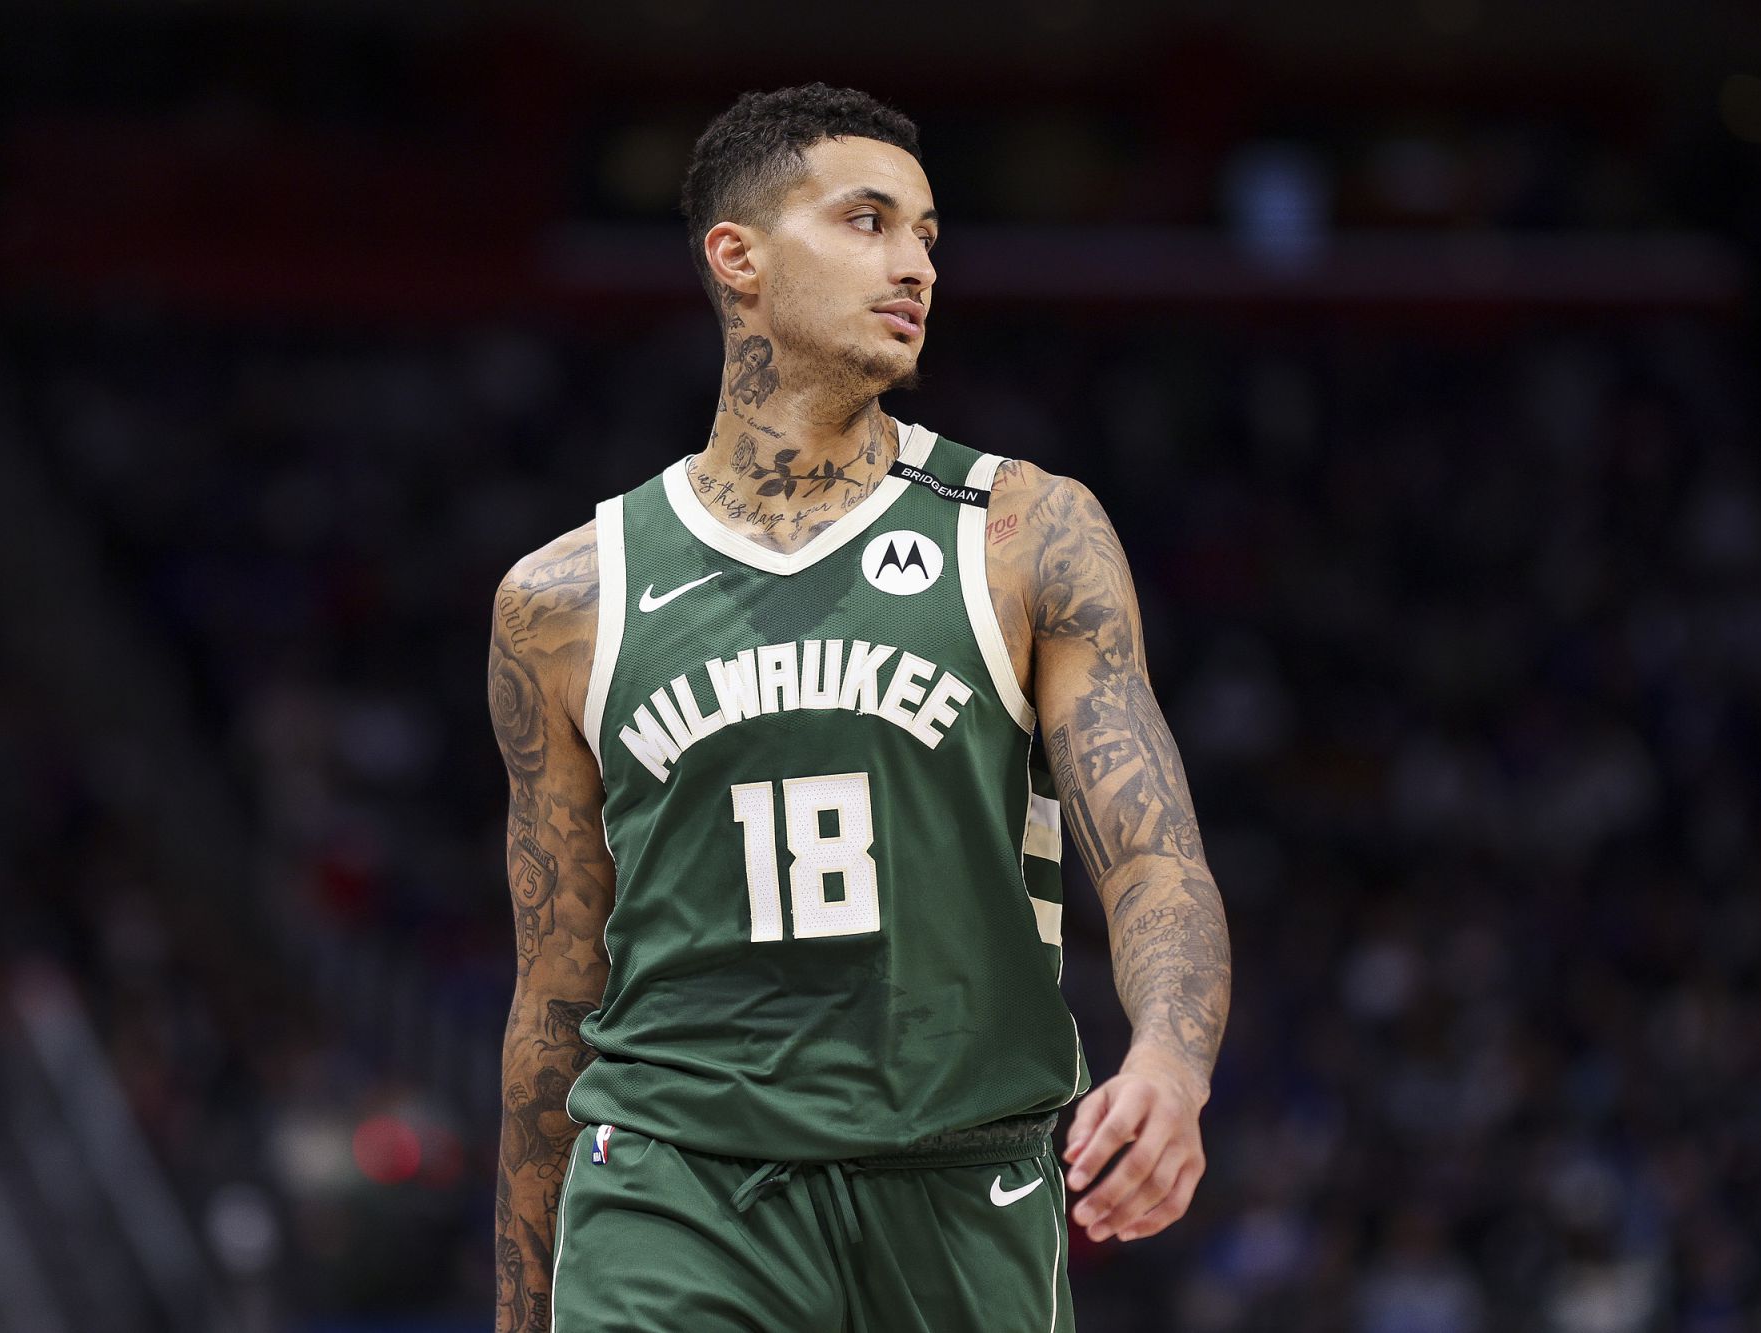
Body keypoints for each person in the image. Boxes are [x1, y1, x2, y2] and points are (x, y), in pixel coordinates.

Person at [487, 82, 1230, 1333]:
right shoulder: (563, 598)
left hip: (956, 1177)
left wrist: (1170, 1055)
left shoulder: (1023, 532)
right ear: (738, 257)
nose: (916, 264)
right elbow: (554, 990)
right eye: (867, 221)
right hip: (673, 1184)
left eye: (927, 235)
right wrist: (520, 1308)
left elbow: (1155, 854)